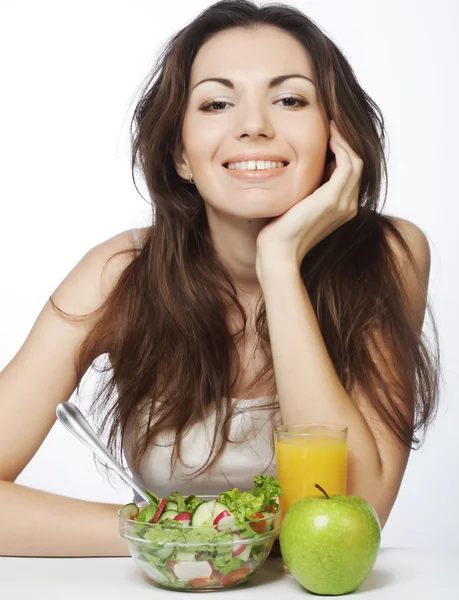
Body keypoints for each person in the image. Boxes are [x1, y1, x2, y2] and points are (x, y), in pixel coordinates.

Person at [0, 0, 440, 558]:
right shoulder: (121, 275)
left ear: (335, 139)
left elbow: (353, 510)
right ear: (181, 155)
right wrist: (178, 531)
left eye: (289, 100)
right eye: (216, 102)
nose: (254, 125)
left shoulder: (388, 253)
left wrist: (278, 262)